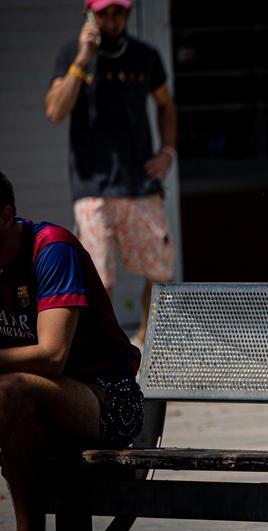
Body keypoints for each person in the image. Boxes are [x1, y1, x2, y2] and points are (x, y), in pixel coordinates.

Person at [0, 170, 144, 531]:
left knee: (10, 392)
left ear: (5, 216)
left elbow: (52, 355)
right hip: (38, 401)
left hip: (108, 398)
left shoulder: (50, 247)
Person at [44, 0, 178, 348]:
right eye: (103, 13)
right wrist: (81, 61)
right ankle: (106, 351)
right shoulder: (71, 54)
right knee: (97, 279)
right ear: (89, 14)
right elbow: (55, 111)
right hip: (93, 186)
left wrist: (167, 151)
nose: (111, 21)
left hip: (140, 182)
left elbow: (166, 103)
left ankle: (146, 344)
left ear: (128, 14)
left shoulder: (144, 55)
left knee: (160, 270)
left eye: (118, 12)